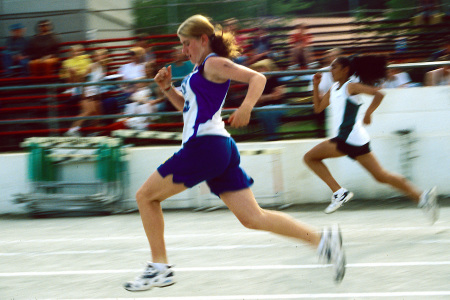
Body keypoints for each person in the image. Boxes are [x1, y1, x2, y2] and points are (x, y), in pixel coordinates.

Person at [123, 14, 346, 292]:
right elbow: (187, 109)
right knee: (253, 218)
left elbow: (258, 78)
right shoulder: (198, 70)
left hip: (204, 146)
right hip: (219, 147)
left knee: (145, 197)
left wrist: (247, 106)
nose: (183, 50)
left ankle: (159, 268)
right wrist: (167, 88)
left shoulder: (213, 62)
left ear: (203, 39)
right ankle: (322, 241)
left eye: (187, 43)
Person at [303, 55, 439, 222]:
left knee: (309, 157)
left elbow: (378, 94)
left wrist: (368, 113)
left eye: (334, 67)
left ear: (345, 70)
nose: (330, 71)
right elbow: (317, 108)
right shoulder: (334, 89)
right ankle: (422, 197)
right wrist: (316, 86)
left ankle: (339, 193)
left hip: (347, 138)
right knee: (381, 175)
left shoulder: (350, 87)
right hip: (357, 139)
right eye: (331, 68)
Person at [250, 59, 287, 141]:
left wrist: (263, 97)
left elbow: (278, 95)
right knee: (265, 111)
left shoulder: (276, 78)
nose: (259, 70)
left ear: (268, 68)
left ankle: (271, 137)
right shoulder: (255, 81)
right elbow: (255, 100)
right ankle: (273, 137)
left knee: (269, 110)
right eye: (258, 68)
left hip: (279, 106)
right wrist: (271, 96)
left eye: (262, 68)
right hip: (262, 108)